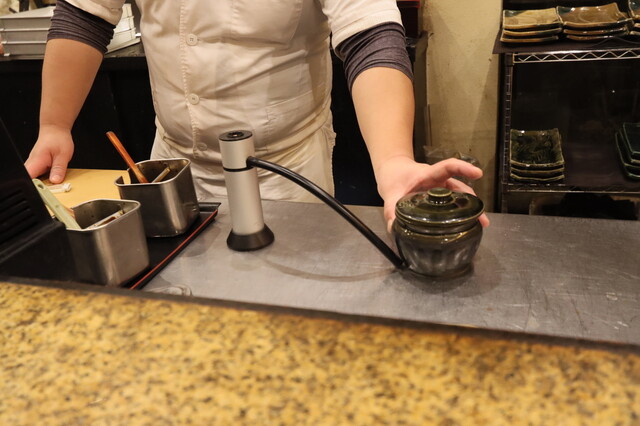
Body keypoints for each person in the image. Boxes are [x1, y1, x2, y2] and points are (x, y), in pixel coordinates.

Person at [25, 0, 489, 229]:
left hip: (284, 171)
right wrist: (54, 126)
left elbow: (371, 35)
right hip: (172, 167)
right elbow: (84, 14)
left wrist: (392, 161)